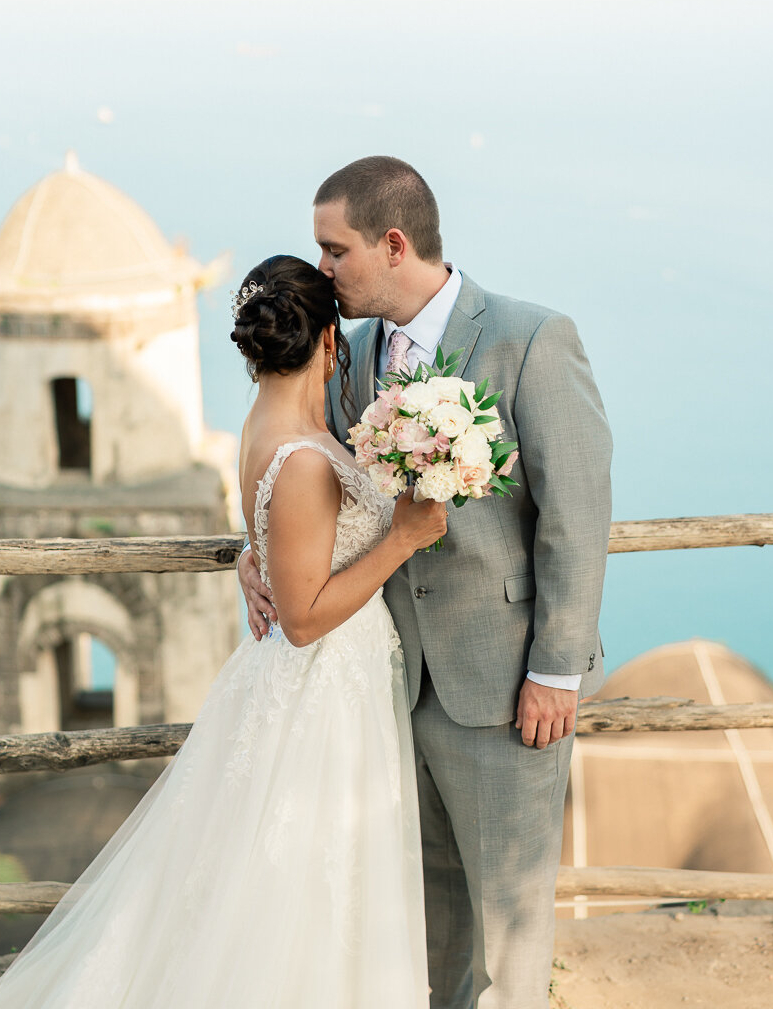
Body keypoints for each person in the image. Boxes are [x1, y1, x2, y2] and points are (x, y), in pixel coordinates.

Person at [0, 255, 446, 1008]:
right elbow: (305, 619)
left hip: (309, 685)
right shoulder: (305, 461)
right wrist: (404, 539)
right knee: (307, 881)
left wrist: (254, 556)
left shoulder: (264, 425)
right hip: (322, 687)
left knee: (270, 875)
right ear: (327, 343)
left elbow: (282, 537)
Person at [238, 157, 613, 1008]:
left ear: (393, 243)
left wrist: (556, 669)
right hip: (384, 692)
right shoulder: (350, 356)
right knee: (425, 924)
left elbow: (577, 515)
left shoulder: (530, 338)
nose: (323, 271)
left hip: (503, 688)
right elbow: (301, 479)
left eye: (334, 251)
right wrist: (250, 553)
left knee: (508, 939)